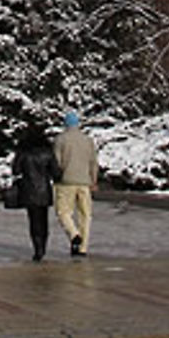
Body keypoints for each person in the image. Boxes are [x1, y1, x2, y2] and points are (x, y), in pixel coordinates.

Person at [11, 124, 61, 261]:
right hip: (44, 190)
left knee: (33, 220)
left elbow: (15, 169)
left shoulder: (24, 152)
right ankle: (42, 246)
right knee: (43, 219)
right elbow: (56, 172)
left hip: (28, 189)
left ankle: (37, 247)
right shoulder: (47, 152)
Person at [52, 110, 98, 257]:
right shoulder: (88, 140)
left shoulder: (60, 139)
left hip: (66, 182)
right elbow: (94, 162)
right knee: (85, 215)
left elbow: (56, 162)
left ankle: (74, 234)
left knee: (63, 212)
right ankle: (83, 247)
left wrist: (55, 178)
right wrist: (93, 180)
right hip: (84, 182)